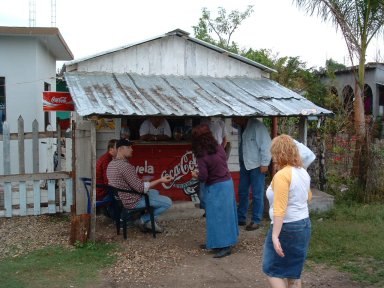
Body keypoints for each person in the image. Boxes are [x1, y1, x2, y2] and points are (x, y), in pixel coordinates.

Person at [262, 134, 312, 288]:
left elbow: (280, 209)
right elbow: (308, 197)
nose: (272, 158)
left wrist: (275, 236)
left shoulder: (282, 175)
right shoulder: (302, 172)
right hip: (303, 224)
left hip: (287, 227)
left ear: (279, 154)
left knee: (271, 269)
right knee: (293, 272)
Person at [191, 124, 239, 258]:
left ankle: (225, 246)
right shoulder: (218, 147)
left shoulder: (202, 155)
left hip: (216, 187)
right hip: (227, 184)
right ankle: (214, 243)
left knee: (217, 217)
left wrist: (196, 175)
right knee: (224, 216)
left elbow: (204, 177)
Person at [106, 138, 173, 233]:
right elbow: (141, 188)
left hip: (121, 198)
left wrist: (140, 181)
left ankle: (150, 221)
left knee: (155, 192)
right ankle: (143, 220)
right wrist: (160, 180)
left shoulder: (112, 164)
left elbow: (126, 183)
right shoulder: (125, 166)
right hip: (132, 201)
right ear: (120, 149)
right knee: (168, 202)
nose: (132, 149)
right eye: (129, 147)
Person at [232, 117, 272, 231]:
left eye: (235, 118)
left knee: (257, 194)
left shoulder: (257, 126)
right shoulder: (241, 126)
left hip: (257, 165)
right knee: (242, 191)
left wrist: (265, 163)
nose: (234, 120)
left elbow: (266, 146)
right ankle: (241, 217)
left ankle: (256, 220)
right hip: (245, 163)